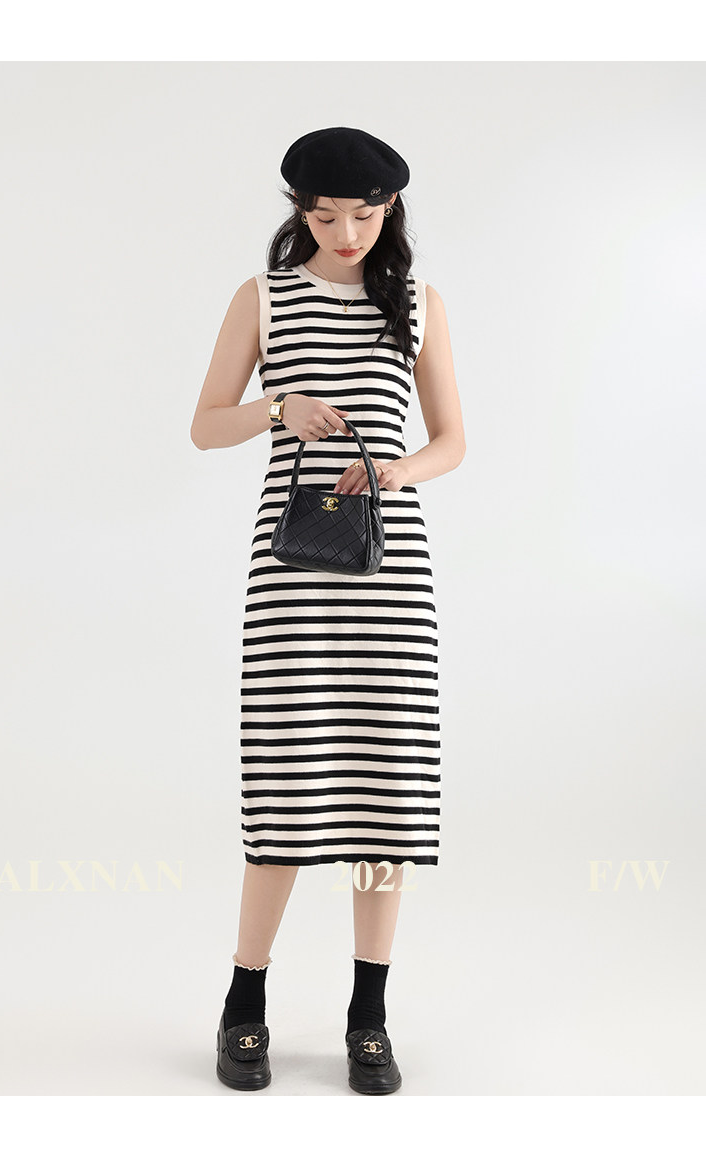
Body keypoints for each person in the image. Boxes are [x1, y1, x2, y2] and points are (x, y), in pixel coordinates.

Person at [190, 126, 466, 1094]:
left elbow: (453, 441)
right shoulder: (262, 299)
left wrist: (394, 469)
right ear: (298, 212)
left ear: (391, 209)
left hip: (389, 581)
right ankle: (245, 999)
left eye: (364, 215)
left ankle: (368, 1014)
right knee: (284, 789)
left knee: (386, 799)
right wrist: (282, 409)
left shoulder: (418, 304)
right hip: (292, 583)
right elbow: (204, 426)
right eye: (324, 216)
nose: (346, 233)